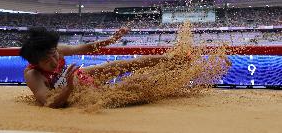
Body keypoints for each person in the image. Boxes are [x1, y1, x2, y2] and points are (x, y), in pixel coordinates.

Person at [20, 27, 179, 108]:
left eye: (54, 55)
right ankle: (165, 85)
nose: (55, 62)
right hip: (73, 94)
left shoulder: (56, 49)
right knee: (126, 93)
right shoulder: (33, 75)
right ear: (36, 63)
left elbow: (87, 48)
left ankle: (174, 59)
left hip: (78, 77)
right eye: (48, 62)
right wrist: (68, 88)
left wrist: (113, 39)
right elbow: (49, 102)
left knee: (121, 65)